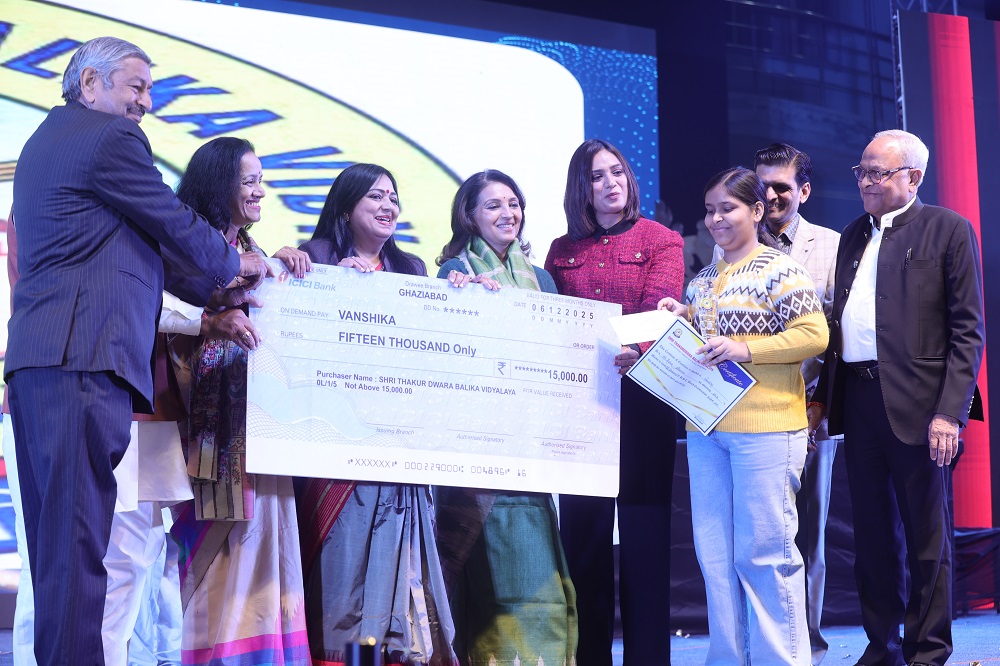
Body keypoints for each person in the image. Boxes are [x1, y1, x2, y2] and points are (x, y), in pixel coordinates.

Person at [6, 36, 265, 664]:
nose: (145, 102)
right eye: (136, 86)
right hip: (82, 357)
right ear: (90, 84)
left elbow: (139, 249)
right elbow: (170, 221)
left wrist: (214, 292)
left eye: (150, 90)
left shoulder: (49, 141)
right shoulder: (109, 138)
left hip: (49, 359)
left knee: (61, 550)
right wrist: (233, 263)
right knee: (78, 546)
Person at [813, 130, 984, 666]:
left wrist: (949, 414)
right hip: (859, 400)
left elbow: (967, 332)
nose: (866, 182)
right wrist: (824, 401)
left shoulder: (948, 229)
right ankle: (881, 645)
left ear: (914, 177)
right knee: (871, 537)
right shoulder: (852, 235)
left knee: (927, 538)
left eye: (878, 173)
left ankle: (927, 651)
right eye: (861, 171)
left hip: (923, 405)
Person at [659, 166, 828, 665]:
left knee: (766, 555)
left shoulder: (780, 269)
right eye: (709, 210)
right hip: (707, 430)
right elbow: (707, 341)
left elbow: (814, 335)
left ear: (756, 211)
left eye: (727, 208)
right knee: (715, 557)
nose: (715, 219)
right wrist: (683, 319)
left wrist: (745, 349)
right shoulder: (702, 280)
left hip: (768, 429)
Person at [296, 163, 458, 665]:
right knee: (344, 572)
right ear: (346, 208)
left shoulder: (411, 269)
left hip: (399, 451)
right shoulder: (317, 257)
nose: (388, 206)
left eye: (393, 197)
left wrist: (463, 299)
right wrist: (324, 283)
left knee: (397, 576)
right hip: (337, 456)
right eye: (375, 197)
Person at [169, 136, 313, 664]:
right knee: (210, 546)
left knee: (264, 540)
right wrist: (217, 315)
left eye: (260, 181)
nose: (259, 191)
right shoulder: (186, 245)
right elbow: (172, 323)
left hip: (261, 427)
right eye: (249, 181)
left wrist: (282, 267)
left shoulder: (251, 249)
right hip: (201, 431)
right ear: (219, 185)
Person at [544, 139, 684, 666]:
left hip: (645, 401)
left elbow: (659, 306)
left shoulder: (661, 239)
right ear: (581, 188)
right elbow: (550, 318)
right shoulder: (560, 250)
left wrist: (637, 348)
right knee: (583, 542)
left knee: (646, 541)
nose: (611, 183)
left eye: (618, 172)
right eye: (598, 176)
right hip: (582, 405)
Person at [434, 170, 578, 666]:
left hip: (530, 443)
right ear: (469, 215)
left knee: (533, 553)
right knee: (480, 568)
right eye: (493, 205)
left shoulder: (542, 279)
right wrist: (464, 302)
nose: (507, 213)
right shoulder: (453, 273)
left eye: (513, 203)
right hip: (476, 449)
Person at [754, 143, 840, 665]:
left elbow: (840, 338)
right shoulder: (734, 242)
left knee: (808, 534)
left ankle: (809, 644)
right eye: (761, 185)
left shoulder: (830, 246)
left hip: (809, 410)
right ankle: (764, 641)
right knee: (760, 533)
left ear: (804, 191)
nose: (769, 195)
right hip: (749, 413)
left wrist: (820, 408)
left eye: (781, 186)